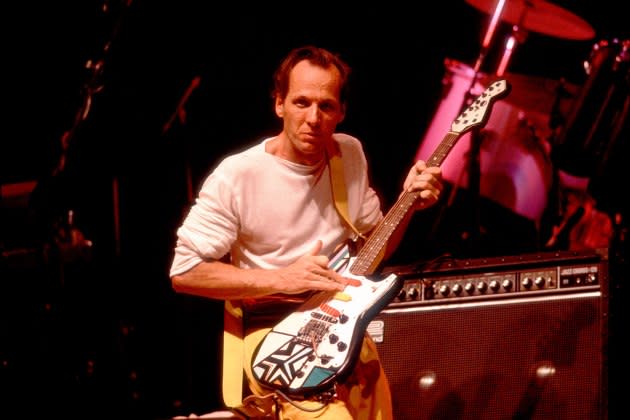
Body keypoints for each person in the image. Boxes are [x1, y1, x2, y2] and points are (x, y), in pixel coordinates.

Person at [169, 45, 443, 419]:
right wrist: (283, 278)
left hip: (341, 326)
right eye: (301, 103)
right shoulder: (238, 175)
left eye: (326, 105)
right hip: (273, 331)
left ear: (341, 111)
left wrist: (408, 203)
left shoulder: (348, 154)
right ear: (279, 104)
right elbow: (185, 272)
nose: (313, 117)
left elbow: (374, 251)